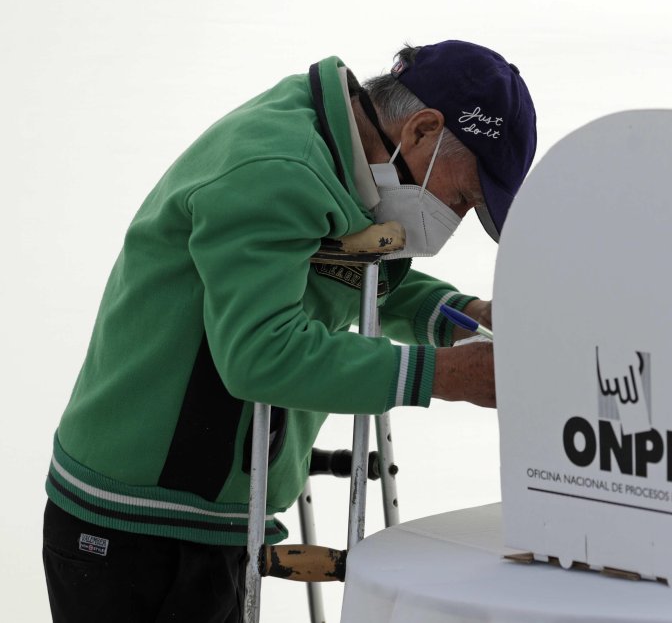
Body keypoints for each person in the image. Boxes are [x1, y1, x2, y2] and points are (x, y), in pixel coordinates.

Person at [42, 40, 537, 622]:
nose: (455, 218)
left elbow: (335, 273)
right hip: (141, 518)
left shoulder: (332, 149)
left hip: (205, 507)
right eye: (462, 197)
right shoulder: (279, 170)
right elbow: (259, 352)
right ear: (423, 131)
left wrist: (463, 314)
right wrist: (444, 375)